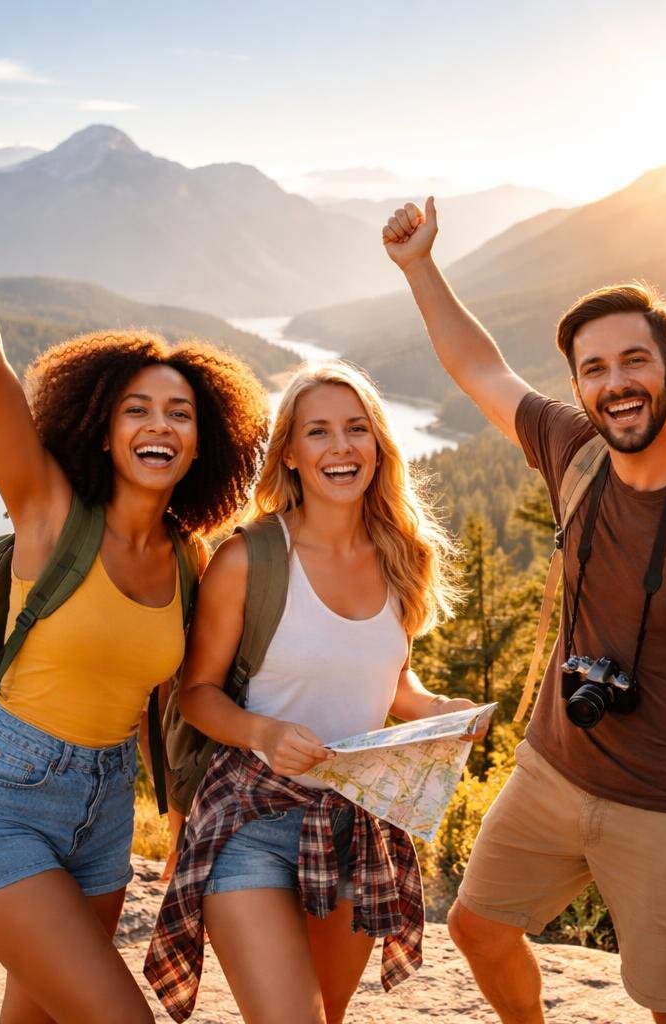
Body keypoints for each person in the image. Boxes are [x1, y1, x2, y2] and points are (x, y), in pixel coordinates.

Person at [0, 94, 269, 1023]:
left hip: (104, 812)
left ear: (200, 441)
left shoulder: (190, 558)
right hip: (1, 798)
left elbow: (179, 702)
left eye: (179, 413)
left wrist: (181, 820)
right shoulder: (50, 512)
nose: (159, 425)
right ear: (102, 427)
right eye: (139, 408)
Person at [381, 199, 666, 1024]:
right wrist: (418, 267)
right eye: (595, 370)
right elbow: (481, 368)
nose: (616, 385)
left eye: (634, 362)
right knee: (476, 928)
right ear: (578, 384)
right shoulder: (574, 453)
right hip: (552, 772)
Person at [143, 361, 479, 1024]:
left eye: (356, 429)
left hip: (352, 822)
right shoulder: (248, 560)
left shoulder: (400, 557)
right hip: (249, 820)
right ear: (290, 453)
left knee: (326, 1016)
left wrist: (440, 712)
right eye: (318, 432)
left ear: (379, 445)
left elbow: (391, 680)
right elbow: (197, 693)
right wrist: (264, 733)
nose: (341, 447)